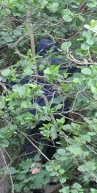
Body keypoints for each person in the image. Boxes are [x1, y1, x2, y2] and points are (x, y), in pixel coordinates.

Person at [20, 39, 78, 179]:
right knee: (54, 142)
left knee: (33, 146)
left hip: (37, 114)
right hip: (58, 112)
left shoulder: (31, 67)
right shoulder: (61, 64)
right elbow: (78, 66)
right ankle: (51, 175)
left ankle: (36, 177)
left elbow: (19, 84)